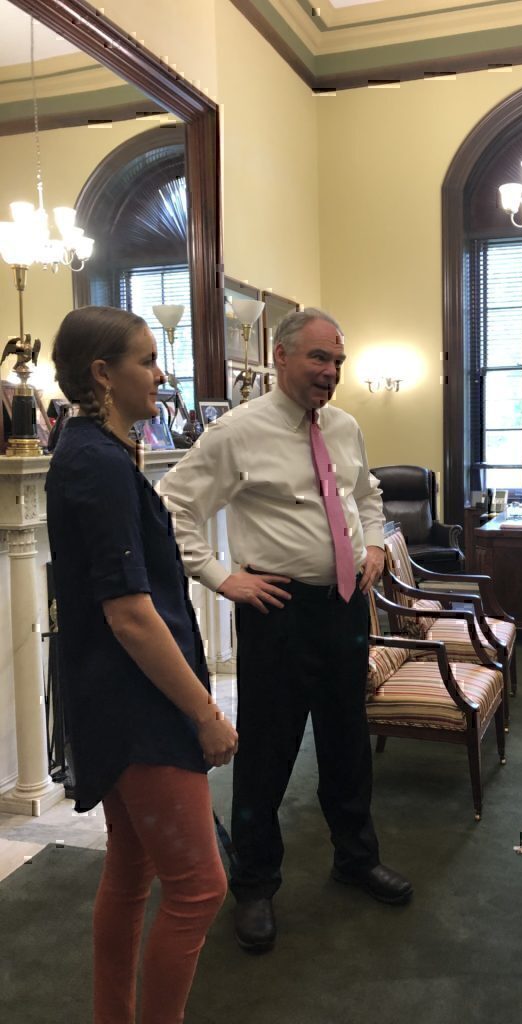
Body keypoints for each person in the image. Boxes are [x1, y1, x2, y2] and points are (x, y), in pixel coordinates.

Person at [157, 307, 412, 955]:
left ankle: (355, 858)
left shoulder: (346, 428)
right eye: (319, 359)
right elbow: (172, 505)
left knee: (347, 740)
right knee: (268, 752)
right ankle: (254, 884)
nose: (331, 372)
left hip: (346, 607)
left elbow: (366, 494)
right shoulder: (237, 432)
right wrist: (219, 576)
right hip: (277, 612)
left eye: (337, 361)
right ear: (281, 357)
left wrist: (377, 543)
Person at [47, 305, 238, 1024]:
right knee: (199, 888)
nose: (161, 375)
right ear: (102, 374)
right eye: (147, 361)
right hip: (136, 708)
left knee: (132, 873)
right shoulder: (94, 461)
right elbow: (130, 613)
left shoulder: (93, 449)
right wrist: (206, 712)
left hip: (116, 698)